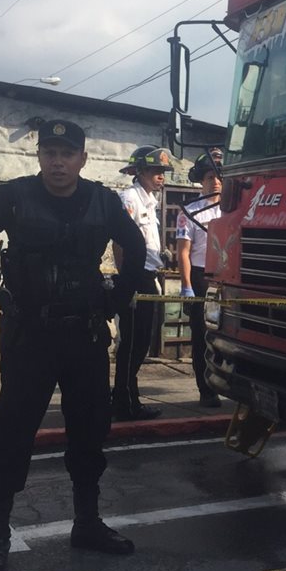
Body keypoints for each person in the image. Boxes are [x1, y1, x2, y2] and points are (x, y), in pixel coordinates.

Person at [0, 120, 147, 571]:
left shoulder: (104, 201)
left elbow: (135, 243)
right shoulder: (13, 196)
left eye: (67, 153)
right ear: (39, 157)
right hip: (29, 338)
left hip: (84, 336)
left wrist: (116, 300)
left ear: (83, 159)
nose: (58, 161)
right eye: (49, 152)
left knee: (89, 430)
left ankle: (87, 522)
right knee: (12, 432)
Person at [112, 145, 172, 422]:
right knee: (132, 344)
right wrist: (127, 282)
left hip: (150, 278)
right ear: (140, 172)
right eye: (155, 171)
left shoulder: (148, 200)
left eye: (162, 172)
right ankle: (123, 401)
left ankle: (130, 398)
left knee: (142, 344)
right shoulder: (130, 198)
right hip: (136, 279)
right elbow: (120, 242)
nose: (161, 177)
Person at [175, 149, 222, 408]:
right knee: (202, 336)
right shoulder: (189, 211)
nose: (213, 181)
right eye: (208, 176)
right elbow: (183, 251)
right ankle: (206, 389)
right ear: (200, 181)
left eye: (217, 176)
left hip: (228, 277)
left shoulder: (234, 208)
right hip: (201, 275)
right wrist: (186, 286)